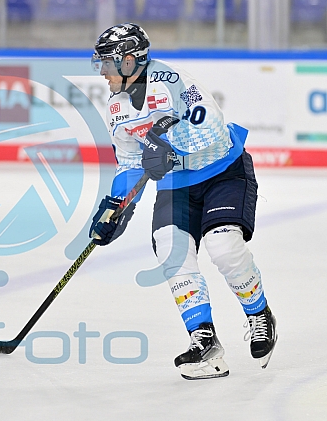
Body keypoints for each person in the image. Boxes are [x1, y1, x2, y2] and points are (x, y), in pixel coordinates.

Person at [88, 23, 277, 380]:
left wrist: (167, 148)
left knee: (223, 247)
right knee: (171, 249)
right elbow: (130, 161)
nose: (104, 72)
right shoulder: (117, 106)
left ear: (130, 61)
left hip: (222, 172)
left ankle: (259, 314)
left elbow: (211, 127)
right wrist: (115, 205)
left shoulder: (173, 81)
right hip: (176, 187)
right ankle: (204, 342)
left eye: (109, 63)